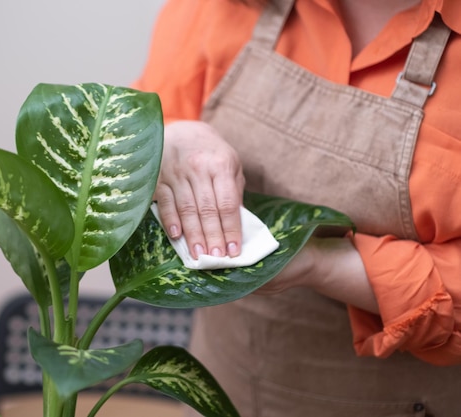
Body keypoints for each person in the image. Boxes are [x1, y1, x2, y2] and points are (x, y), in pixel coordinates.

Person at [133, 0, 461, 416]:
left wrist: (322, 265)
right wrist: (170, 138)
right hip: (224, 390)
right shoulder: (217, 8)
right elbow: (137, 131)